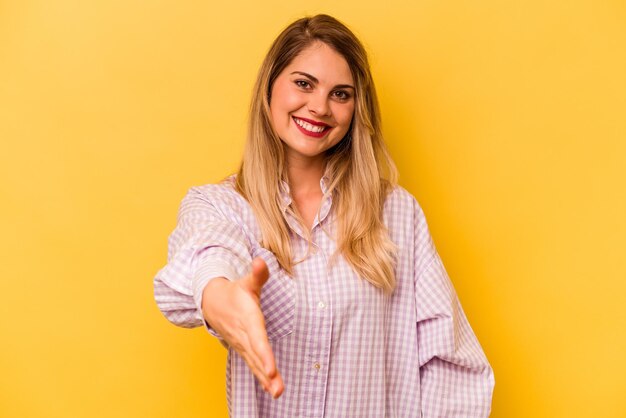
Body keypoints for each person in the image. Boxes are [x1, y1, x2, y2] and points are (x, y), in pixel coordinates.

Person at [154, 14, 494, 417]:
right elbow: (208, 250)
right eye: (303, 83)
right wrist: (217, 293)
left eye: (341, 94)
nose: (319, 107)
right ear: (270, 88)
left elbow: (451, 364)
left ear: (355, 109)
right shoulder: (222, 206)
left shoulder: (396, 213)